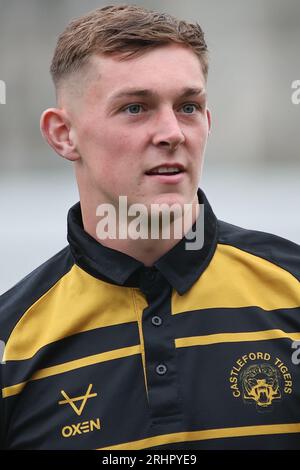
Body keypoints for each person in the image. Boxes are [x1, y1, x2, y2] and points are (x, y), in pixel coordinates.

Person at [0, 4, 299, 451]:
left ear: (208, 124)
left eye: (189, 107)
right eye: (135, 107)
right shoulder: (12, 341)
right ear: (64, 134)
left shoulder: (291, 288)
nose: (172, 132)